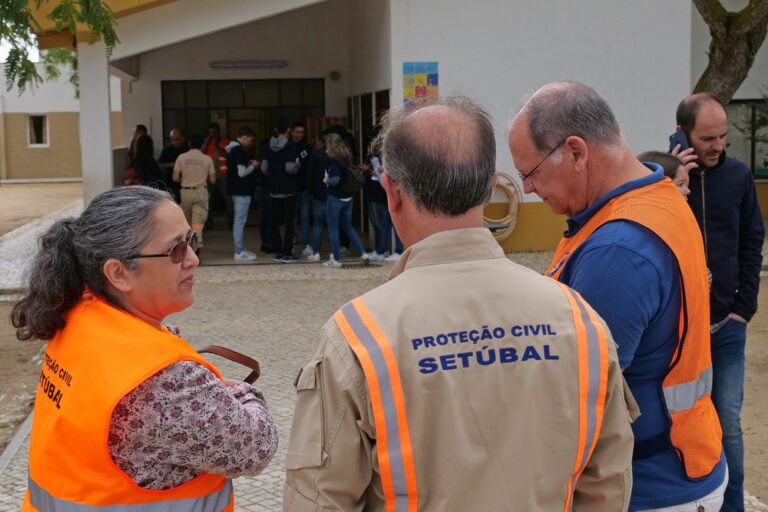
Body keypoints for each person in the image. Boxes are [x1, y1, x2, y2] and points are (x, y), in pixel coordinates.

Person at [284, 97, 636, 511]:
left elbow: (319, 500)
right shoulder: (578, 320)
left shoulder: (359, 335)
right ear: (490, 186)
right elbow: (607, 487)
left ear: (391, 191)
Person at [508, 81, 726, 511]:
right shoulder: (657, 197)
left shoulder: (618, 251)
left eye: (529, 173)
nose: (528, 190)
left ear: (575, 151)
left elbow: (576, 401)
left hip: (648, 486)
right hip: (682, 466)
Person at [12, 186, 278, 509]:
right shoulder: (165, 384)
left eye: (191, 242)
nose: (193, 259)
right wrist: (242, 393)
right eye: (175, 251)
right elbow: (257, 446)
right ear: (118, 273)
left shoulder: (77, 315)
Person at [674, 93, 765, 511]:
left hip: (727, 325)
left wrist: (744, 306)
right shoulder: (661, 176)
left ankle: (732, 507)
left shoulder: (739, 177)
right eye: (707, 137)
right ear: (683, 133)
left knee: (728, 424)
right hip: (680, 329)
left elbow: (752, 240)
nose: (717, 146)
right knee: (678, 422)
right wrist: (677, 186)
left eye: (723, 137)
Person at [322, 132, 370, 268]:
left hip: (335, 198)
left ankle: (335, 260)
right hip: (348, 199)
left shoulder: (334, 160)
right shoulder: (347, 157)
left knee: (333, 229)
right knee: (348, 227)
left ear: (330, 146)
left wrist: (326, 180)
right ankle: (363, 253)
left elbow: (336, 179)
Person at [360, 131, 404, 261]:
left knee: (389, 222)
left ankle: (396, 250)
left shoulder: (392, 153)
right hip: (386, 189)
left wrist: (381, 170)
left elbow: (396, 171)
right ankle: (383, 250)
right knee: (385, 222)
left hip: (392, 190)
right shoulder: (377, 154)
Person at [261, 122, 300, 263]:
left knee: (275, 221)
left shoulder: (268, 146)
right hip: (288, 189)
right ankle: (287, 251)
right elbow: (290, 168)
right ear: (288, 130)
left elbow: (264, 169)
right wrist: (298, 165)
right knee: (289, 222)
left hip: (273, 189)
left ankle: (278, 250)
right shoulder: (290, 146)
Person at [173, 133, 216, 248]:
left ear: (189, 144)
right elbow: (213, 180)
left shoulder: (181, 157)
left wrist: (186, 179)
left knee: (186, 220)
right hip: (200, 192)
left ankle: (187, 244)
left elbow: (175, 178)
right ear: (202, 145)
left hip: (185, 192)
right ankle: (196, 245)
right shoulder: (207, 159)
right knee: (198, 221)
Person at [226, 127, 259, 262]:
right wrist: (253, 166)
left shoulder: (231, 149)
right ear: (244, 137)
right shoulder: (239, 150)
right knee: (240, 221)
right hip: (242, 190)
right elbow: (241, 173)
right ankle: (239, 251)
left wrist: (248, 163)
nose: (250, 143)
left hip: (235, 189)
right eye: (250, 140)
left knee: (239, 220)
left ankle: (240, 249)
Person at [290, 121, 314, 258]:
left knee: (305, 217)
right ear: (292, 132)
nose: (300, 134)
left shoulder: (307, 147)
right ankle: (292, 243)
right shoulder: (287, 146)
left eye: (302, 132)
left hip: (304, 187)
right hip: (291, 187)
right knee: (291, 217)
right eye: (297, 132)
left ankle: (305, 244)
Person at [203, 123, 232, 229]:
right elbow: (200, 154)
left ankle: (232, 223)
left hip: (222, 177)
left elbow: (227, 155)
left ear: (218, 132)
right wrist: (206, 143)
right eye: (210, 132)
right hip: (209, 177)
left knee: (228, 200)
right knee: (208, 201)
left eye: (214, 132)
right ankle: (208, 224)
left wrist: (216, 145)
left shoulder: (225, 142)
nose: (212, 135)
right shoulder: (207, 143)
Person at [159, 128, 189, 203]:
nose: (174, 142)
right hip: (169, 184)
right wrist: (171, 165)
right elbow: (160, 165)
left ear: (182, 138)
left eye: (176, 140)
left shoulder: (187, 150)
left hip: (185, 184)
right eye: (172, 140)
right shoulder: (166, 151)